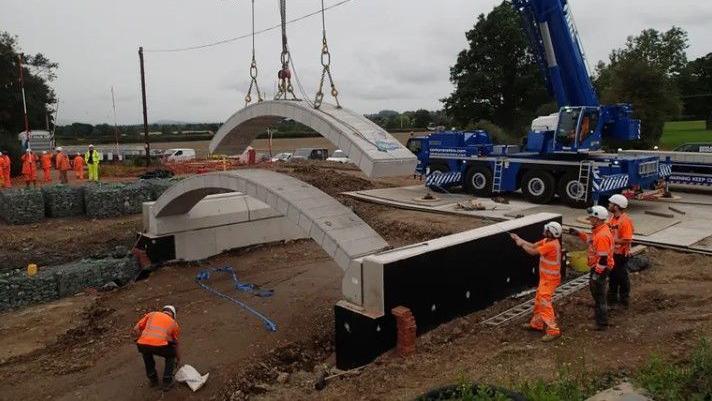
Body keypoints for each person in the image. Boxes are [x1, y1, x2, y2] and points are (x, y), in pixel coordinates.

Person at [510, 221, 563, 342]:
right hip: (545, 278)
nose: (544, 231)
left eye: (547, 230)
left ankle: (553, 330)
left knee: (544, 301)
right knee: (539, 299)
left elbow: (533, 252)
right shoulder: (547, 241)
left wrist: (521, 244)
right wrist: (519, 239)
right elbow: (533, 245)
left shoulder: (552, 245)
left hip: (550, 280)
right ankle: (537, 324)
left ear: (551, 233)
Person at [570, 206, 615, 330]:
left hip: (600, 268)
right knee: (596, 293)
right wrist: (579, 234)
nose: (589, 219)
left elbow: (603, 259)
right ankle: (600, 313)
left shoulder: (602, 236)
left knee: (599, 295)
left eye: (592, 217)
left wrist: (597, 274)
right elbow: (591, 240)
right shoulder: (599, 230)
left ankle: (602, 323)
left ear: (597, 218)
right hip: (597, 267)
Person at [132, 305, 181, 391]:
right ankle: (167, 381)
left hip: (143, 344)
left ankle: (153, 379)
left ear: (163, 311)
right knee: (170, 356)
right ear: (173, 315)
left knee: (146, 354)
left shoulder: (152, 314)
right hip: (160, 346)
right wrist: (177, 357)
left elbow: (136, 329)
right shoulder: (174, 323)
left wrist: (141, 338)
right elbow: (175, 343)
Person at [607, 194, 634, 308]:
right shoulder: (612, 219)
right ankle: (612, 300)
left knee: (621, 277)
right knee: (613, 277)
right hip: (613, 254)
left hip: (621, 254)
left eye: (611, 203)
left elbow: (627, 239)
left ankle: (624, 300)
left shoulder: (625, 221)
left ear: (616, 206)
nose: (609, 205)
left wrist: (611, 241)